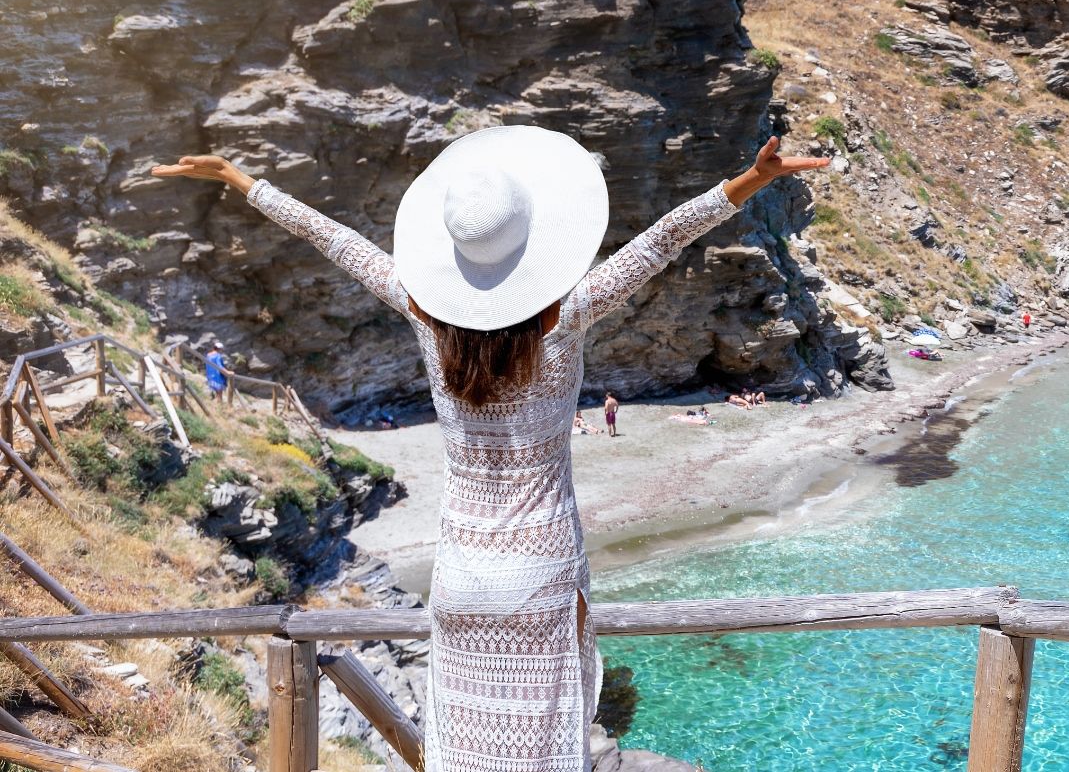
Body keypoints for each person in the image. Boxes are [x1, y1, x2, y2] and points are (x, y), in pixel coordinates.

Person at [152, 128, 828, 770]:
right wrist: (749, 181)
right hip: (542, 564)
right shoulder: (564, 322)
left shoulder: (427, 319)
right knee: (551, 738)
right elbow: (662, 240)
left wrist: (241, 179)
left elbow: (336, 241)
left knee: (468, 743)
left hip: (462, 572)